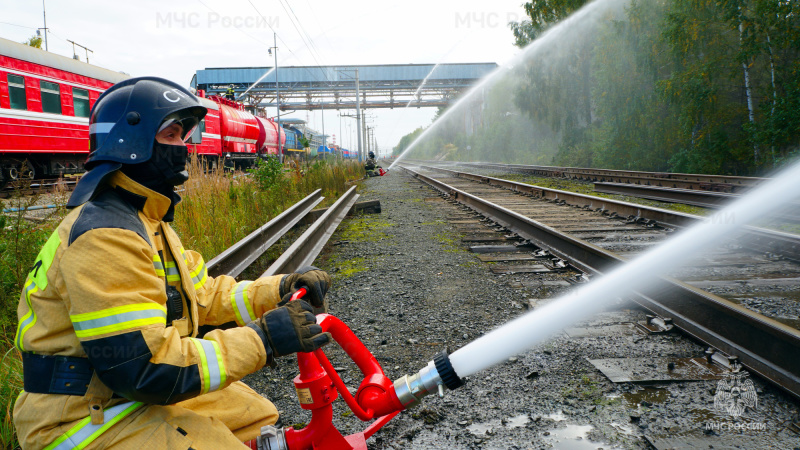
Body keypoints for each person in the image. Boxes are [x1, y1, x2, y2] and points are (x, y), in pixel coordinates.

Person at [13, 76, 332, 449]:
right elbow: (144, 369)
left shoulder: (147, 220)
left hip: (118, 394)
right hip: (81, 414)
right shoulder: (106, 235)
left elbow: (205, 294)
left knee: (255, 415)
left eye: (184, 136)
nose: (184, 148)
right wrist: (262, 339)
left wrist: (280, 288)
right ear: (132, 140)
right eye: (172, 135)